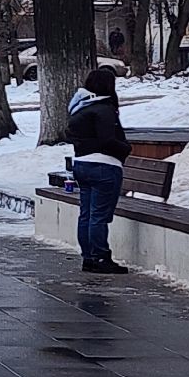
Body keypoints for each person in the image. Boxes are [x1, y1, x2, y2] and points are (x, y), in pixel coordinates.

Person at [68, 67, 132, 274]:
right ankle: (100, 256)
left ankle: (88, 256)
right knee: (99, 216)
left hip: (82, 165)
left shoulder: (80, 108)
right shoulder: (104, 109)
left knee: (86, 214)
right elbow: (107, 140)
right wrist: (125, 149)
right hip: (104, 166)